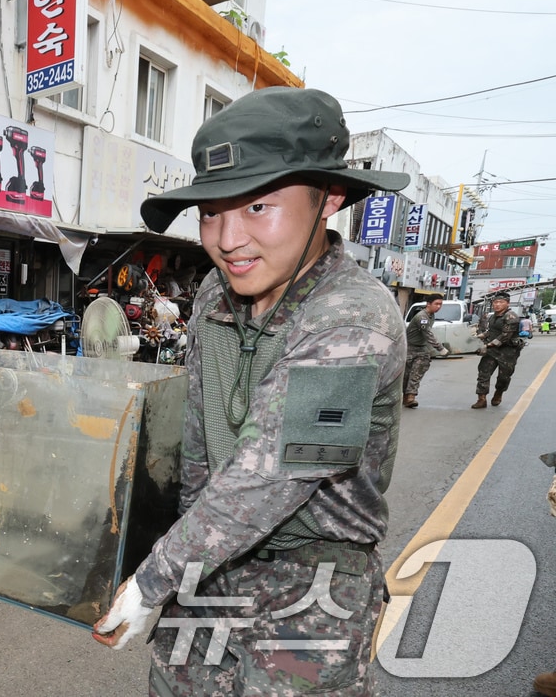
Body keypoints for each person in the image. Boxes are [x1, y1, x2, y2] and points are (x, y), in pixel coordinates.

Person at [93, 86, 409, 695]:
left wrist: (156, 578)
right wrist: (169, 557)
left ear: (328, 198)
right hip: (208, 561)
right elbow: (197, 445)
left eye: (258, 206)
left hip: (312, 583)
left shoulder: (353, 317)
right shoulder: (216, 292)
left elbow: (273, 476)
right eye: (211, 212)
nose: (228, 238)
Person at [471, 291, 524, 409]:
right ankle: (481, 399)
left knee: (504, 377)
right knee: (483, 373)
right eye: (495, 302)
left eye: (501, 302)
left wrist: (487, 345)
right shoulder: (492, 317)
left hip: (508, 352)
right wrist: (479, 337)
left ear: (507, 303)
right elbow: (491, 332)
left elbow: (505, 336)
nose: (497, 305)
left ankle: (498, 393)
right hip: (491, 351)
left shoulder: (511, 317)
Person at [403, 296, 449, 408]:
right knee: (406, 375)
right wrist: (440, 348)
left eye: (440, 304)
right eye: (436, 304)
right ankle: (405, 396)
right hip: (409, 348)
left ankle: (411, 397)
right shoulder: (422, 317)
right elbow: (427, 334)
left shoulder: (431, 315)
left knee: (416, 373)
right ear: (428, 304)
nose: (439, 307)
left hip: (421, 349)